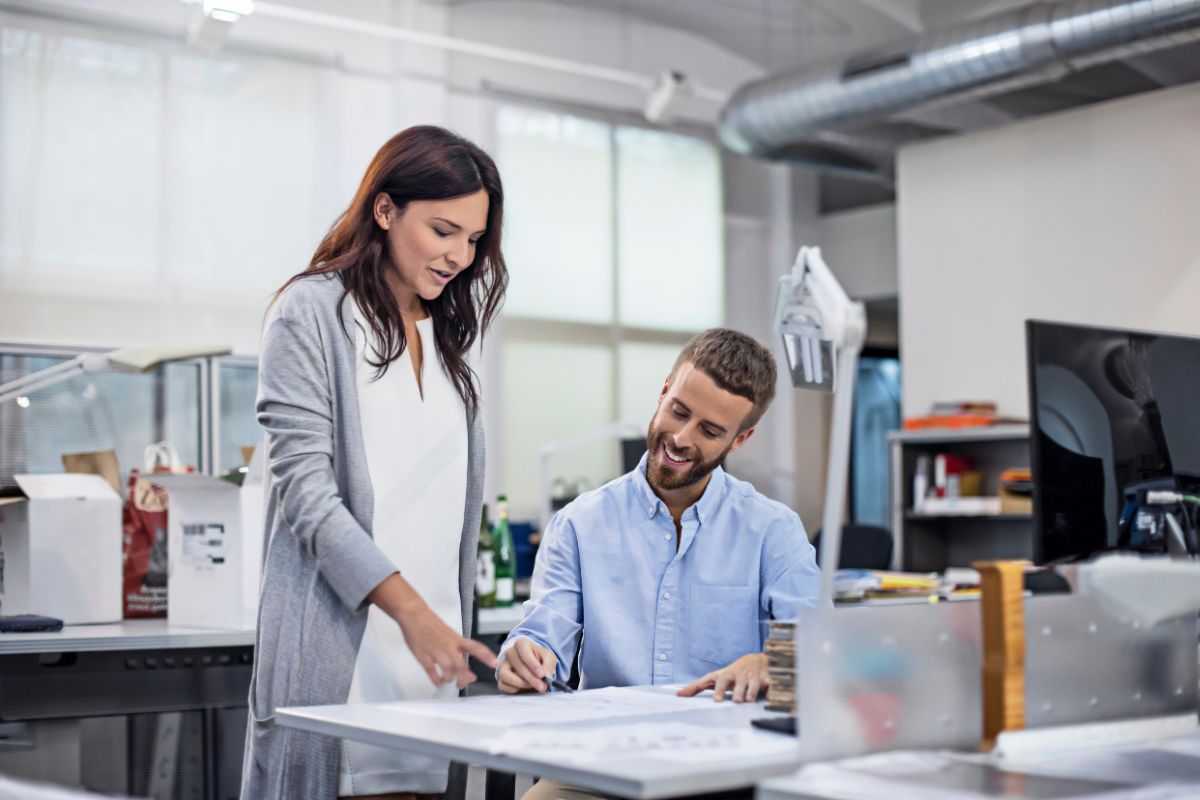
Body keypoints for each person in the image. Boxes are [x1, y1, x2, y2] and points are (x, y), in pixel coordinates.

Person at [241, 126, 506, 800]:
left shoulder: (448, 341)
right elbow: (307, 495)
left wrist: (432, 623)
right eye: (443, 230)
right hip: (346, 651)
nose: (459, 256)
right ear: (385, 211)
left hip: (431, 657)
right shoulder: (311, 314)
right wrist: (411, 613)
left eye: (473, 240)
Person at [498, 328, 821, 712]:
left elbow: (823, 646)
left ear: (740, 439)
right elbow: (543, 638)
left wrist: (773, 662)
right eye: (678, 411)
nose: (682, 438)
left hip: (725, 755)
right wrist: (525, 657)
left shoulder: (773, 531)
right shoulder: (578, 524)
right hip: (602, 750)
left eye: (710, 430)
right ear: (664, 391)